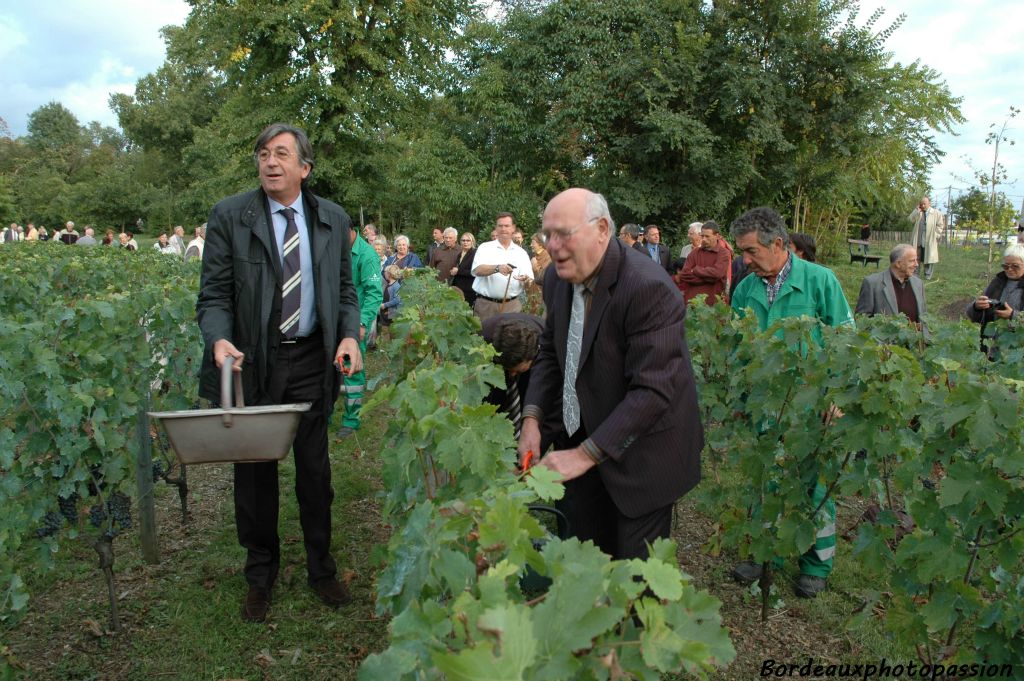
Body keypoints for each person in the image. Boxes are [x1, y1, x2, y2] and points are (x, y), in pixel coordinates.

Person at [195, 122, 363, 623]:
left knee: (315, 471)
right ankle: (260, 573)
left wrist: (350, 333)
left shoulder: (332, 218)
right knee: (254, 474)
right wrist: (219, 338)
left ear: (304, 168)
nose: (270, 162)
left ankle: (321, 568)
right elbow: (214, 295)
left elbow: (345, 292)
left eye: (282, 154)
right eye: (263, 153)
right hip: (254, 361)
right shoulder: (231, 216)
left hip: (313, 358)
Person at [517, 188, 703, 561]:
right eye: (546, 235)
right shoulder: (557, 279)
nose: (552, 246)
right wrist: (533, 418)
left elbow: (652, 392)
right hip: (581, 438)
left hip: (641, 455)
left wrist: (585, 454)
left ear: (602, 229)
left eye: (563, 233)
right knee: (582, 559)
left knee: (634, 582)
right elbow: (553, 350)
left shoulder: (648, 287)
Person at [729, 207, 853, 599]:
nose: (744, 261)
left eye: (750, 251)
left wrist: (836, 396)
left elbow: (845, 342)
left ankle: (816, 565)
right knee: (766, 483)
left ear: (779, 244)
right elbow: (737, 349)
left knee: (813, 488)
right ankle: (769, 556)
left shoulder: (820, 282)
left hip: (811, 410)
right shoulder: (746, 289)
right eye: (741, 252)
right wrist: (738, 396)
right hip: (765, 409)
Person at [338, 227, 384, 438]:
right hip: (332, 319)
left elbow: (374, 293)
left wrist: (362, 323)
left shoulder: (366, 255)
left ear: (348, 231)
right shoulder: (336, 248)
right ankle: (325, 413)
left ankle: (351, 419)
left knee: (351, 368)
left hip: (353, 321)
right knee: (327, 371)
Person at [481, 313, 546, 441]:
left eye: (517, 370)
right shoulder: (483, 340)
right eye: (509, 370)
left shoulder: (548, 348)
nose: (512, 374)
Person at [855, 244, 929, 340]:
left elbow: (924, 318)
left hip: (914, 349)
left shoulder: (918, 284)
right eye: (912, 261)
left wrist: (926, 343)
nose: (916, 264)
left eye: (916, 260)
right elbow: (861, 321)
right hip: (885, 350)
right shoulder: (872, 284)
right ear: (898, 264)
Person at [471, 212, 534, 323]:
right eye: (500, 226)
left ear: (513, 228)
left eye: (506, 226)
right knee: (483, 338)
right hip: (486, 305)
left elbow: (529, 280)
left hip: (512, 306)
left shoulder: (522, 253)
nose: (503, 229)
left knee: (510, 340)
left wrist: (526, 280)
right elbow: (477, 270)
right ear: (496, 227)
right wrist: (497, 268)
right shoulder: (485, 247)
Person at [967, 244, 1024, 359]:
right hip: (991, 349)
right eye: (1006, 266)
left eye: (1015, 266)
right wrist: (977, 307)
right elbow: (970, 313)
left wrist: (1013, 315)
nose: (1010, 270)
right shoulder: (997, 282)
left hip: (1018, 353)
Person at [678, 221, 730, 305]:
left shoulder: (723, 253)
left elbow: (717, 273)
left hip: (713, 305)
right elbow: (684, 274)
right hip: (693, 304)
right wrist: (710, 279)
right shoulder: (694, 253)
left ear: (717, 236)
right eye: (702, 236)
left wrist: (696, 270)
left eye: (707, 236)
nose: (704, 239)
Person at [908, 196, 944, 279]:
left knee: (929, 257)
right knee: (916, 257)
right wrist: (916, 211)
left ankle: (928, 275)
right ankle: (915, 274)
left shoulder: (936, 213)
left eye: (924, 204)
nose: (923, 205)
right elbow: (910, 220)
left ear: (929, 204)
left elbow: (940, 226)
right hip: (918, 239)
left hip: (929, 239)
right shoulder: (918, 212)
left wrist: (935, 235)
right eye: (921, 204)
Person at [450, 232, 477, 306]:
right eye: (463, 240)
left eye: (468, 240)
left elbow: (475, 272)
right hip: (458, 288)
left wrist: (458, 271)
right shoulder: (460, 253)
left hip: (469, 289)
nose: (465, 242)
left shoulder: (475, 254)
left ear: (472, 242)